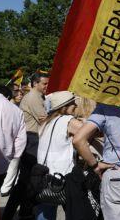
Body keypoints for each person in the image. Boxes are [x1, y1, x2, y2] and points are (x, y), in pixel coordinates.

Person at [4, 71, 50, 219]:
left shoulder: (37, 96)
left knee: (28, 180)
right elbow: (44, 120)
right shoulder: (33, 97)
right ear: (35, 83)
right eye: (44, 83)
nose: (46, 86)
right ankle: (21, 213)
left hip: (32, 139)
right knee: (28, 179)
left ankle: (21, 212)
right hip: (32, 140)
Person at [35, 91, 83, 220]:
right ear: (64, 106)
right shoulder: (68, 120)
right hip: (62, 175)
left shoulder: (47, 120)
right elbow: (90, 131)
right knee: (75, 211)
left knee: (45, 210)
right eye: (73, 103)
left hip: (45, 175)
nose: (75, 105)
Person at [0, 85, 26, 193]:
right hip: (1, 163)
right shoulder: (17, 111)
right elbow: (21, 140)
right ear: (8, 96)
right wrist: (12, 158)